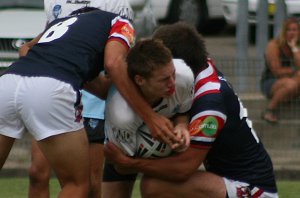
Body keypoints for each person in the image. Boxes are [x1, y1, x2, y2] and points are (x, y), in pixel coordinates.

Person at [0, 7, 176, 197]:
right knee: (77, 185)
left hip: (8, 81)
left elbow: (25, 48)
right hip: (51, 88)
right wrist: (151, 118)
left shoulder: (63, 22)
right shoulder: (120, 21)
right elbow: (113, 63)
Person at [104, 22, 279, 198]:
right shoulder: (198, 65)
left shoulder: (210, 102)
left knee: (154, 186)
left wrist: (130, 163)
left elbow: (183, 168)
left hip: (253, 189)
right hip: (225, 177)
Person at [24, 1, 133, 197]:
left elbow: (120, 57)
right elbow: (33, 47)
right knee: (37, 173)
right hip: (53, 94)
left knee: (90, 183)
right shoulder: (52, 2)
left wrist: (84, 77)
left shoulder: (117, 3)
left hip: (93, 99)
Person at [102, 38, 194, 198]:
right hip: (126, 148)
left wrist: (181, 126)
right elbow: (121, 166)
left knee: (158, 188)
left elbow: (182, 113)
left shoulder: (183, 77)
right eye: (164, 79)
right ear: (140, 80)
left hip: (159, 156)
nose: (173, 83)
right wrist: (154, 152)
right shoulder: (121, 114)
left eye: (172, 74)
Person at [261, 17, 300, 123]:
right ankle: (269, 111)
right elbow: (276, 71)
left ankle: (287, 96)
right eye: (289, 30)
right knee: (291, 84)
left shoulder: (297, 46)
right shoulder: (274, 46)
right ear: (284, 32)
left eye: (295, 30)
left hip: (292, 80)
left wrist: (294, 48)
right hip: (271, 81)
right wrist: (293, 71)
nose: (292, 33)